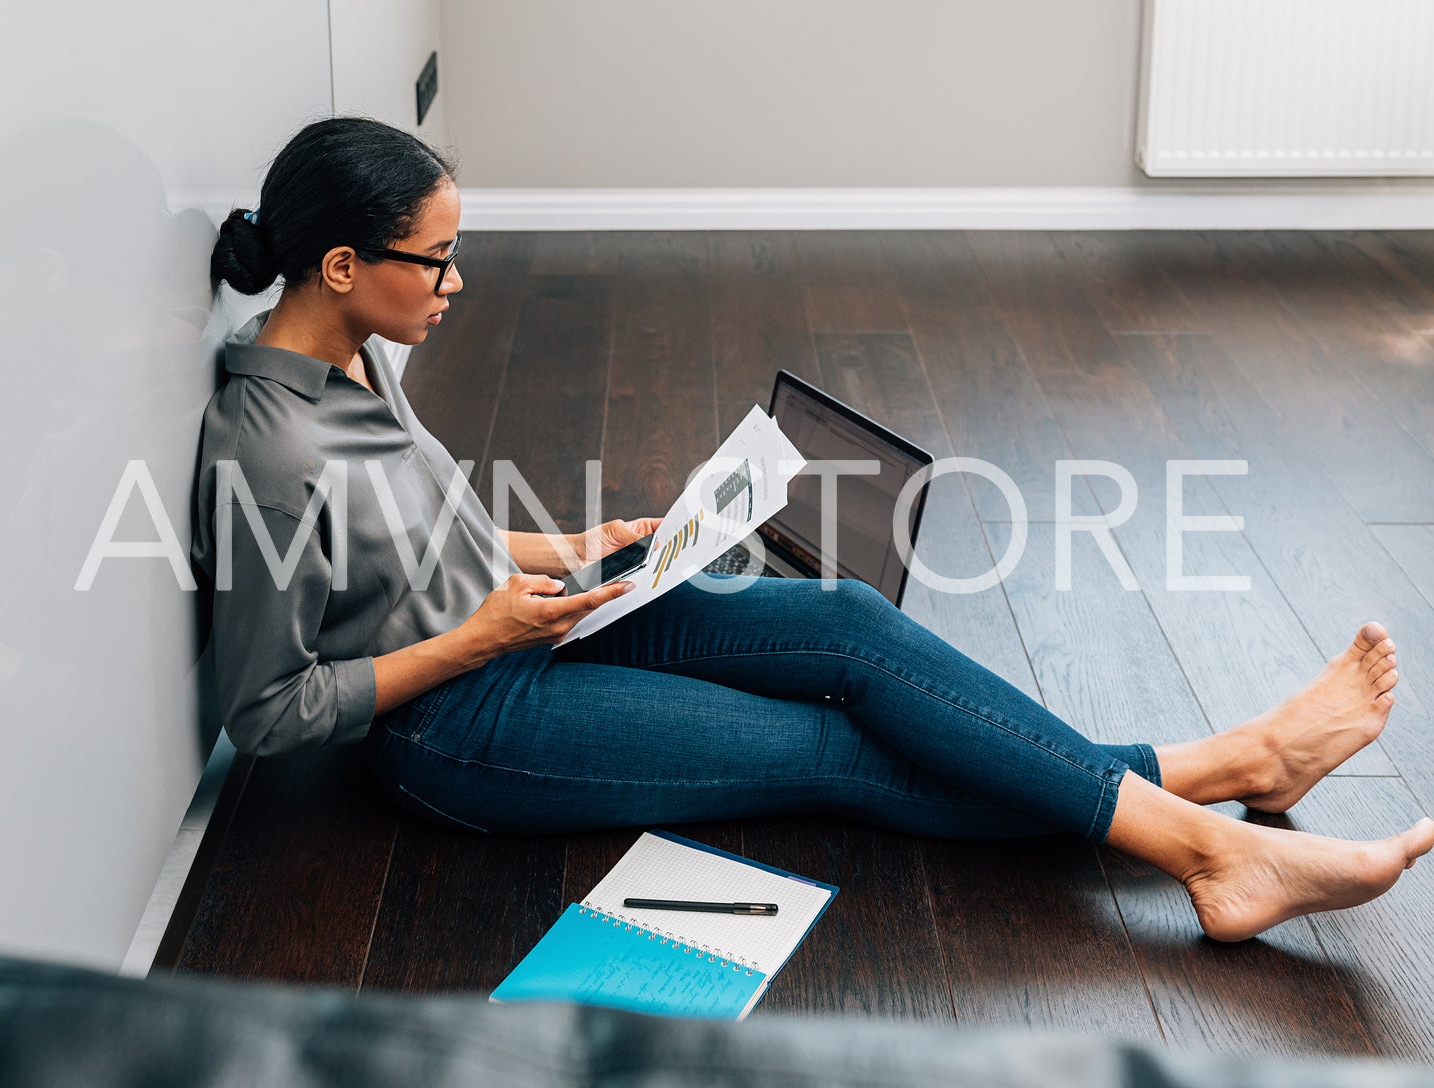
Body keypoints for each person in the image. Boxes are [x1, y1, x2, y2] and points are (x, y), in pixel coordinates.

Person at [194, 117, 1434, 945]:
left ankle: (1233, 777)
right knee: (827, 752)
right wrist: (471, 642)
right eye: (439, 258)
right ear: (345, 262)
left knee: (848, 619)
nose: (457, 282)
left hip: (531, 621)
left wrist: (572, 548)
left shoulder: (359, 348)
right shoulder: (265, 447)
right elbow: (267, 710)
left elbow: (419, 527)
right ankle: (1211, 823)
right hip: (454, 724)